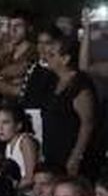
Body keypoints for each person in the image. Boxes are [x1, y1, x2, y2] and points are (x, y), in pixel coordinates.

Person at [40, 33, 97, 177]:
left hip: (70, 155)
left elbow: (87, 123)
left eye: (52, 54)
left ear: (65, 59)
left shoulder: (79, 85)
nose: (46, 57)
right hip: (52, 153)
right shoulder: (53, 81)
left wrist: (76, 156)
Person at [0, 104, 39, 186]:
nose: (0, 128)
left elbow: (31, 178)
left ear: (18, 125)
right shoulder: (8, 145)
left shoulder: (25, 141)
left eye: (5, 122)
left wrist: (9, 189)